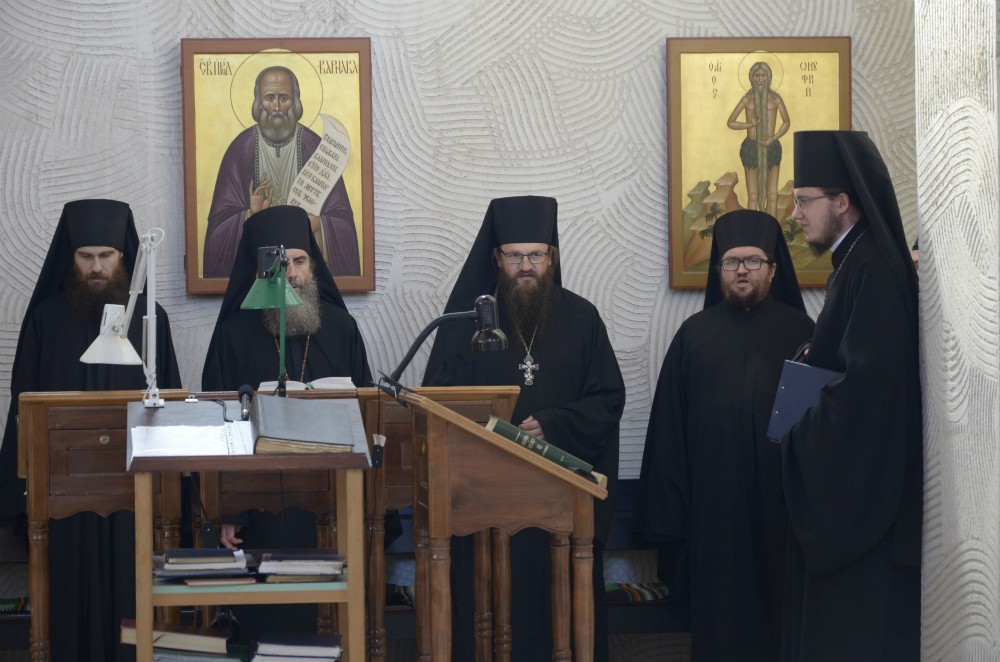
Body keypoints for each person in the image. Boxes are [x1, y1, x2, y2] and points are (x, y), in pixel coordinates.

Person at [423, 195, 626, 662]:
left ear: (551, 257)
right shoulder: (465, 323)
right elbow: (437, 405)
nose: (526, 266)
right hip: (484, 509)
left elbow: (608, 399)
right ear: (496, 258)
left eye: (536, 255)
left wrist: (554, 424)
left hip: (559, 504)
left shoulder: (582, 319)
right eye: (515, 256)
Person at [0, 199, 182, 661]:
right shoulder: (45, 320)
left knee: (133, 600)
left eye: (106, 256)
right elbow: (24, 407)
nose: (97, 267)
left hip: (135, 492)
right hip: (65, 498)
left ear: (124, 256)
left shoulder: (150, 319)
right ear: (71, 257)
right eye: (86, 257)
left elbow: (171, 402)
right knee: (68, 605)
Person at [637, 209, 814, 661]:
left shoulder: (803, 334)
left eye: (753, 261)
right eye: (731, 261)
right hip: (714, 514)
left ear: (773, 269)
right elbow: (669, 434)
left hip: (783, 514)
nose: (742, 270)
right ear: (718, 270)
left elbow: (822, 429)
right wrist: (670, 523)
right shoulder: (693, 336)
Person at [201, 204, 372, 639]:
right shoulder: (234, 334)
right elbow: (217, 424)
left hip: (331, 498)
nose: (291, 274)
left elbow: (366, 413)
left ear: (312, 266)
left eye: (299, 261)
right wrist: (229, 509)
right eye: (280, 264)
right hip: (259, 503)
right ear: (258, 270)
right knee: (267, 619)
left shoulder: (340, 328)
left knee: (330, 617)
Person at [782, 131, 922, 661]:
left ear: (841, 201)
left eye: (804, 201)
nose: (795, 214)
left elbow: (867, 391)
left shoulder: (872, 270)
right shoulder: (855, 262)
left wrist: (799, 431)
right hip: (856, 500)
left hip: (863, 513)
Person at [202, 66, 360, 278]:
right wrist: (251, 215)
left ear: (295, 102)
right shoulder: (240, 151)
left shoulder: (315, 147)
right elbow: (217, 235)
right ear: (258, 102)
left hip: (303, 276)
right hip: (257, 275)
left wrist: (317, 225)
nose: (276, 107)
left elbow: (343, 225)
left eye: (283, 98)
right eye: (269, 98)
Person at [727, 61, 790, 217]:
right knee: (753, 196)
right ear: (752, 78)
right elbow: (731, 122)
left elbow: (786, 122)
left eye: (763, 76)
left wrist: (774, 138)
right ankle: (752, 228)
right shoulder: (747, 99)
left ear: (768, 77)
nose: (760, 79)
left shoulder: (776, 99)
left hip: (772, 147)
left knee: (772, 195)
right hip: (751, 148)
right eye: (757, 76)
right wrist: (750, 124)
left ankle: (772, 228)